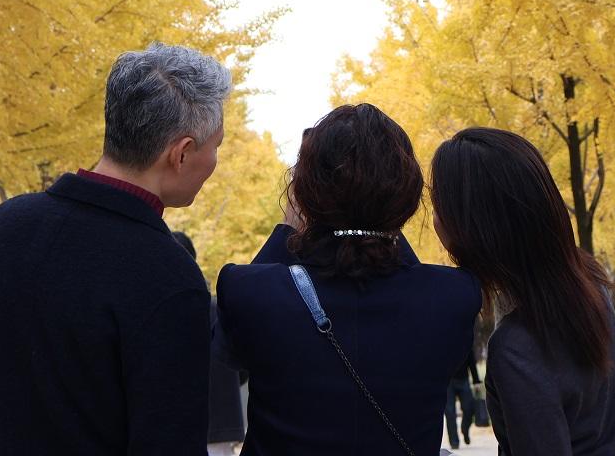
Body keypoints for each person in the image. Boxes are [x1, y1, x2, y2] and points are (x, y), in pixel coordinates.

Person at [0, 44, 230, 455]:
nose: (215, 160)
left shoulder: (1, 230)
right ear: (181, 153)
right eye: (215, 146)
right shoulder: (169, 275)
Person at [215, 103, 482, 455]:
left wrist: (286, 228)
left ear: (305, 193)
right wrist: (383, 221)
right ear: (406, 192)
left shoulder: (250, 291)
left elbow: (229, 356)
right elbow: (414, 282)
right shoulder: (454, 297)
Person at [429, 128, 615, 456]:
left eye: (439, 206)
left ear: (474, 228)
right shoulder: (591, 285)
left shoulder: (517, 349)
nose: (434, 220)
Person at [173, 231, 245, 456]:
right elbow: (241, 366)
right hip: (222, 421)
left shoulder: (166, 308)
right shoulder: (218, 308)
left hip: (182, 424)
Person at [445, 344, 480, 449]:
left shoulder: (464, 338)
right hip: (448, 382)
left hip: (463, 380)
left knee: (469, 408)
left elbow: (471, 360)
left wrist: (476, 380)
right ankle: (454, 442)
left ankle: (465, 429)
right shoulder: (442, 341)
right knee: (450, 412)